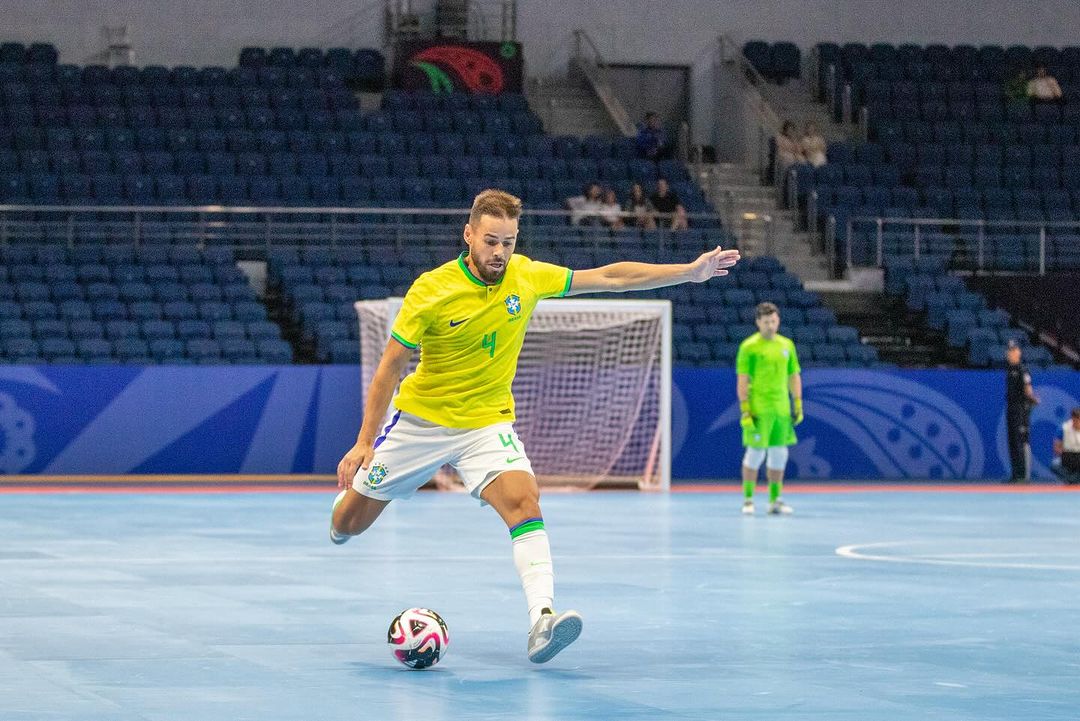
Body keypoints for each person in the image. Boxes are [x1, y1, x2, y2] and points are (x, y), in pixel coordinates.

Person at [330, 189, 741, 663]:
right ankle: (348, 506)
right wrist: (364, 444)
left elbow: (609, 277)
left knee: (525, 500)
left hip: (486, 422)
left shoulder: (526, 275)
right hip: (422, 421)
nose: (499, 252)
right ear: (468, 236)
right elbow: (389, 366)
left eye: (508, 242)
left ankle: (541, 620)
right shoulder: (432, 289)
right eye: (490, 241)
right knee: (348, 525)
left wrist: (688, 272)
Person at [736, 302, 802, 515]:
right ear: (758, 322)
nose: (770, 326)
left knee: (779, 454)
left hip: (781, 409)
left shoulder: (787, 345)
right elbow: (743, 380)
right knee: (755, 454)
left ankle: (775, 500)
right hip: (759, 409)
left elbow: (794, 375)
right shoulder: (749, 347)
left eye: (773, 321)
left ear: (778, 320)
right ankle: (748, 499)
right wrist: (745, 409)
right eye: (766, 322)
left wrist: (798, 403)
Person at [1004, 340, 1039, 483]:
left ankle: (1022, 475)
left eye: (1013, 350)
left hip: (1020, 409)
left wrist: (1032, 399)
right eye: (1008, 351)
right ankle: (1014, 474)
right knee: (1012, 441)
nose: (1010, 353)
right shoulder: (1008, 370)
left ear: (1018, 352)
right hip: (1011, 408)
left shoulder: (1022, 370)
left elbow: (1028, 389)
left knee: (1020, 442)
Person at [1051, 408, 1080, 485]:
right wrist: (1065, 454)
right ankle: (1073, 480)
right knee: (1055, 464)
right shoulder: (1063, 428)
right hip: (1067, 460)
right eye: (1075, 420)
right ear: (1072, 418)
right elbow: (1056, 448)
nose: (1076, 423)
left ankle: (1072, 480)